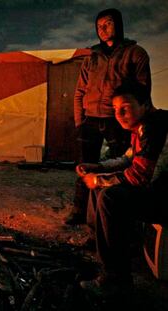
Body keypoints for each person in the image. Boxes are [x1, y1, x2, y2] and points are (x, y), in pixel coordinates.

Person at [77, 81, 168, 297]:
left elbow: (139, 176)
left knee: (110, 197)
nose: (119, 114)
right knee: (103, 188)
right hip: (157, 190)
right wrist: (97, 168)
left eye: (125, 108)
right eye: (116, 109)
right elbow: (128, 159)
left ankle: (116, 280)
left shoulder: (156, 127)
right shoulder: (141, 127)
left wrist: (98, 181)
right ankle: (103, 245)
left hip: (164, 196)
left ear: (145, 104)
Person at [65, 8, 152, 225]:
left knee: (120, 165)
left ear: (119, 25)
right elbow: (79, 92)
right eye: (99, 26)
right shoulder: (91, 58)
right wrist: (79, 121)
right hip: (90, 120)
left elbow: (142, 90)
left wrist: (135, 122)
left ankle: (115, 215)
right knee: (85, 165)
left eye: (108, 24)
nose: (103, 29)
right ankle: (80, 211)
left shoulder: (135, 53)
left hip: (118, 120)